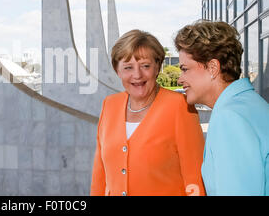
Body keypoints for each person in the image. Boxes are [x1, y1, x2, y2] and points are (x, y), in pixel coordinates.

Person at [91, 30, 206, 196]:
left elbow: (195, 178)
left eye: (145, 66)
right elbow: (99, 174)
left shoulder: (180, 106)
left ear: (157, 67)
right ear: (118, 71)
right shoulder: (109, 105)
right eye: (128, 67)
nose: (137, 75)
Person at [175, 20, 269, 196]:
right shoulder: (251, 104)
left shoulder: (230, 117)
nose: (180, 79)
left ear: (212, 68)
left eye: (185, 69)